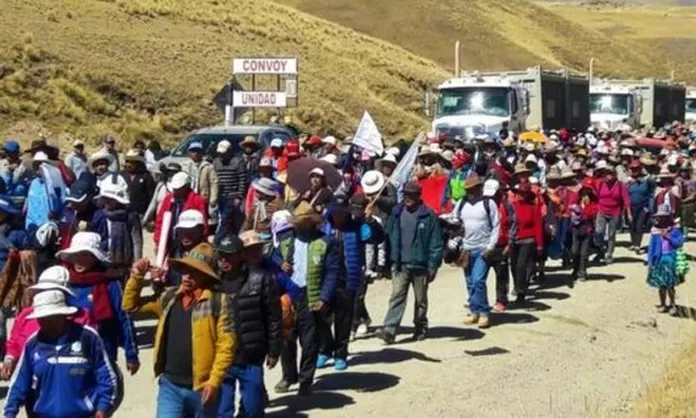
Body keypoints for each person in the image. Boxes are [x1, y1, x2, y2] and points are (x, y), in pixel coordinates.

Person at [124, 244, 236, 418]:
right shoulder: (169, 297)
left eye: (194, 272)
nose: (187, 276)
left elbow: (226, 346)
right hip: (170, 385)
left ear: (206, 276)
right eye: (185, 270)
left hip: (202, 388)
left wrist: (214, 381)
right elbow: (130, 307)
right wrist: (137, 277)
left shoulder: (219, 302)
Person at [57, 232, 140, 411]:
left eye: (84, 255)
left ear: (95, 257)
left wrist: (131, 354)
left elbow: (124, 317)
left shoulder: (110, 284)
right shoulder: (64, 283)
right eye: (75, 255)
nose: (78, 260)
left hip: (103, 354)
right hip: (69, 357)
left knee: (101, 406)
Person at [3, 290, 117, 418]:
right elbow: (19, 383)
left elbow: (107, 377)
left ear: (63, 315)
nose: (44, 323)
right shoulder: (33, 344)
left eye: (50, 318)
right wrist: (9, 413)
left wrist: (102, 408)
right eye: (41, 318)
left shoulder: (88, 338)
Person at [274, 201, 339, 395]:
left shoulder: (326, 242)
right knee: (286, 339)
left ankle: (305, 379)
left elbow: (332, 272)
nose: (299, 225)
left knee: (309, 341)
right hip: (289, 295)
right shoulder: (286, 241)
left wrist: (325, 297)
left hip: (311, 295)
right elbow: (274, 258)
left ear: (311, 223)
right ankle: (288, 376)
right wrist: (280, 264)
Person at [216, 232, 282, 418]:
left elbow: (273, 317)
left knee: (253, 409)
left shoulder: (261, 279)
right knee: (222, 411)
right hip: (222, 358)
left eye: (229, 255)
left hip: (251, 356)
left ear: (240, 255)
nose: (223, 260)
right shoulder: (213, 283)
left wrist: (274, 351)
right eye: (220, 255)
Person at [318, 196, 382, 370]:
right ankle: (325, 348)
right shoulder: (323, 228)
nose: (339, 216)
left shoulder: (357, 227)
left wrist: (369, 220)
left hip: (349, 278)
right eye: (335, 213)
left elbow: (378, 238)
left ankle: (340, 353)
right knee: (321, 317)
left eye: (342, 213)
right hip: (325, 280)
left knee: (343, 319)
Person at [375, 181, 443, 343]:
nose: (408, 197)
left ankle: (420, 326)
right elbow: (389, 235)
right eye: (406, 194)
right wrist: (388, 262)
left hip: (421, 265)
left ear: (418, 196)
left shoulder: (429, 216)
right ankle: (389, 329)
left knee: (420, 300)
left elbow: (435, 242)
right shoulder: (397, 213)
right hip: (400, 264)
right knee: (397, 296)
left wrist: (433, 265)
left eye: (411, 194)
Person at [1, 266, 95, 381]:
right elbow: (14, 343)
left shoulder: (82, 316)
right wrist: (9, 359)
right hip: (28, 378)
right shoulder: (26, 315)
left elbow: (92, 352)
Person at [455, 175, 499, 327]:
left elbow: (496, 225)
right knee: (469, 282)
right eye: (468, 189)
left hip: (482, 248)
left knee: (478, 280)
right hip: (466, 248)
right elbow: (454, 219)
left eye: (473, 188)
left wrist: (491, 246)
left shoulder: (489, 203)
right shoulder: (461, 203)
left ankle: (484, 312)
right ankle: (474, 311)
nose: (471, 191)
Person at [93, 179, 143, 269]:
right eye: (105, 198)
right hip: (103, 258)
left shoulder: (130, 216)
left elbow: (136, 241)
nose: (107, 201)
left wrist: (137, 262)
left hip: (124, 260)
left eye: (111, 199)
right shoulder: (99, 215)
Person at [154, 171, 208, 253]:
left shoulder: (197, 200)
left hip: (190, 243)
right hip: (170, 241)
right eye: (174, 189)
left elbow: (203, 223)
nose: (176, 192)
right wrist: (158, 241)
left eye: (178, 189)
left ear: (186, 187)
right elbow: (160, 221)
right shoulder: (168, 199)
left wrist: (203, 241)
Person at [647, 206, 685, 315]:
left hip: (671, 260)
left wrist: (669, 237)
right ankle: (663, 304)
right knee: (661, 285)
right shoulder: (655, 231)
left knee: (670, 285)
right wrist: (650, 261)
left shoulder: (675, 230)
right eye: (660, 217)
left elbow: (679, 243)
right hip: (659, 260)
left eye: (663, 217)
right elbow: (651, 247)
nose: (661, 219)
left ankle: (673, 304)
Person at [486, 180, 517, 312]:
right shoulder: (484, 205)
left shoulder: (506, 206)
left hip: (501, 245)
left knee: (502, 275)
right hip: (485, 246)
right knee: (479, 277)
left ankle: (501, 299)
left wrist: (510, 243)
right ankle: (479, 302)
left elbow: (513, 225)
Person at [510, 182, 544, 302]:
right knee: (513, 265)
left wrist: (539, 245)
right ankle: (518, 285)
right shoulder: (512, 206)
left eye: (525, 193)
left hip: (528, 239)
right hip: (514, 239)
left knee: (521, 265)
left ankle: (521, 291)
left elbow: (538, 227)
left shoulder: (533, 208)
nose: (522, 195)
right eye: (520, 193)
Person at [595, 163, 631, 264]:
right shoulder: (601, 184)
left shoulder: (620, 185)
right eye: (606, 174)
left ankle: (609, 253)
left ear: (614, 174)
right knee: (599, 232)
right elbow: (597, 197)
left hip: (615, 212)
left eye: (610, 174)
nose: (608, 176)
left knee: (611, 234)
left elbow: (626, 199)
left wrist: (628, 213)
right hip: (602, 210)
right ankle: (601, 250)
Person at [25, 151, 68, 233]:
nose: (38, 168)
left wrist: (56, 212)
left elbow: (63, 199)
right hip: (32, 225)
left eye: (40, 165)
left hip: (49, 226)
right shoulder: (33, 183)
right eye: (36, 165)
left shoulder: (55, 182)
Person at [215, 139, 249, 236]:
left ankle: (219, 239)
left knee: (228, 220)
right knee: (223, 220)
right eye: (220, 153)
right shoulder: (216, 162)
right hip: (220, 196)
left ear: (229, 151)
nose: (221, 155)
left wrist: (239, 196)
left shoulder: (238, 161)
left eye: (224, 153)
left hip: (233, 196)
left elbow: (242, 180)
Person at [59, 175, 101, 250]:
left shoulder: (98, 216)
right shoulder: (67, 211)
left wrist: (90, 230)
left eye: (77, 202)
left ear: (88, 198)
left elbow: (104, 242)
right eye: (72, 201)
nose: (73, 205)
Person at [570, 179, 599, 282]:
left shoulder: (594, 200)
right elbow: (571, 209)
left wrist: (585, 207)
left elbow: (592, 213)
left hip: (587, 228)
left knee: (584, 252)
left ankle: (582, 271)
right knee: (574, 251)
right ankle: (575, 269)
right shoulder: (576, 197)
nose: (587, 191)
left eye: (589, 189)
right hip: (576, 229)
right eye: (585, 189)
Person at [627, 160, 655, 254]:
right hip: (631, 206)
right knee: (631, 225)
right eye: (633, 169)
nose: (635, 170)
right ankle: (633, 243)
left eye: (637, 169)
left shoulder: (647, 180)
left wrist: (649, 207)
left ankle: (638, 245)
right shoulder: (628, 181)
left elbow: (652, 193)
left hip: (643, 206)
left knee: (639, 226)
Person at [144, 162, 182, 228]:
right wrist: (146, 218)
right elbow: (153, 203)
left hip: (175, 221)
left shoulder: (181, 188)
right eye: (169, 172)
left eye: (173, 172)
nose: (171, 174)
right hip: (160, 221)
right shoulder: (160, 186)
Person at [186, 141, 219, 211]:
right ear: (189, 153)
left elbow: (214, 183)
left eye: (198, 151)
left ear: (201, 153)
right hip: (188, 198)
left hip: (202, 198)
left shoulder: (208, 166)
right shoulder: (185, 166)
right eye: (193, 151)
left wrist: (213, 199)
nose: (195, 153)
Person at [123, 149, 156, 218]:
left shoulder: (145, 176)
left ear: (138, 163)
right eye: (127, 162)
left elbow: (151, 196)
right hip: (124, 213)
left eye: (132, 162)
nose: (129, 164)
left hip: (140, 214)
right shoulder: (122, 175)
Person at [0, 139, 32, 208]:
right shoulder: (2, 163)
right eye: (6, 152)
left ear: (16, 153)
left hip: (16, 204)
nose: (7, 154)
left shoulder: (24, 167)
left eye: (9, 152)